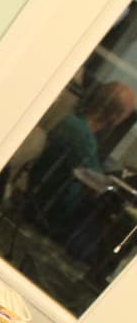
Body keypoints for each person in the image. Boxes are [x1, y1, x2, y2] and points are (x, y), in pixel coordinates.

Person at [27, 80, 136, 240]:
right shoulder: (83, 138)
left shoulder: (70, 122)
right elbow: (97, 185)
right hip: (52, 214)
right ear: (114, 117)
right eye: (124, 116)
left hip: (36, 197)